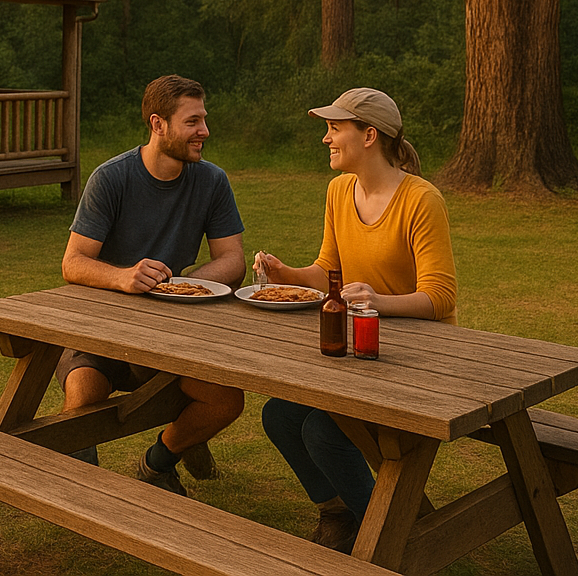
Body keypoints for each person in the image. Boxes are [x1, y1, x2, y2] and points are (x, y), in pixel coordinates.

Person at [257, 87, 457, 553]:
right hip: (363, 349)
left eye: (334, 129)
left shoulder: (421, 200)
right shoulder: (338, 191)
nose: (326, 139)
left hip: (420, 359)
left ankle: (387, 538)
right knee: (280, 417)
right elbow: (329, 270)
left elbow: (441, 297)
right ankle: (339, 512)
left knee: (323, 432)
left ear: (369, 135)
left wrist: (375, 301)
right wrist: (283, 272)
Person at [59, 74, 247, 496]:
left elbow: (233, 261)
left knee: (226, 401)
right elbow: (73, 263)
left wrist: (180, 284)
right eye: (193, 121)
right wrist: (123, 277)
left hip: (174, 334)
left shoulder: (211, 180)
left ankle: (158, 462)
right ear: (158, 124)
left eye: (204, 119)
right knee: (82, 399)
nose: (205, 131)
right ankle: (86, 494)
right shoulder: (111, 178)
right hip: (103, 332)